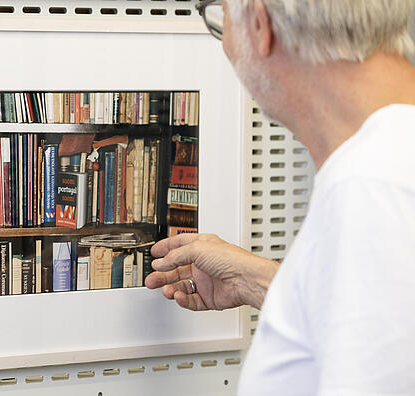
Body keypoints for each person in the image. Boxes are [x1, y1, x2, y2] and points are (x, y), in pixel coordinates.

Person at [145, 0, 415, 394]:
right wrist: (259, 280)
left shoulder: (372, 186)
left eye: (221, 19)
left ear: (259, 22)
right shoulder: (387, 165)